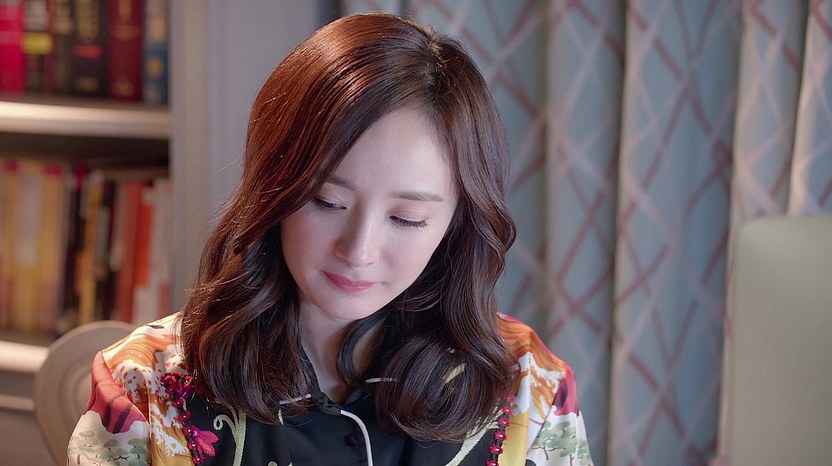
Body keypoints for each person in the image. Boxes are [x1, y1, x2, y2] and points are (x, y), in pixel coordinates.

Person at [68, 12, 592, 466]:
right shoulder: (144, 389)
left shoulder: (528, 388)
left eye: (407, 218)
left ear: (457, 222)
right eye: (327, 202)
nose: (358, 251)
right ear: (273, 188)